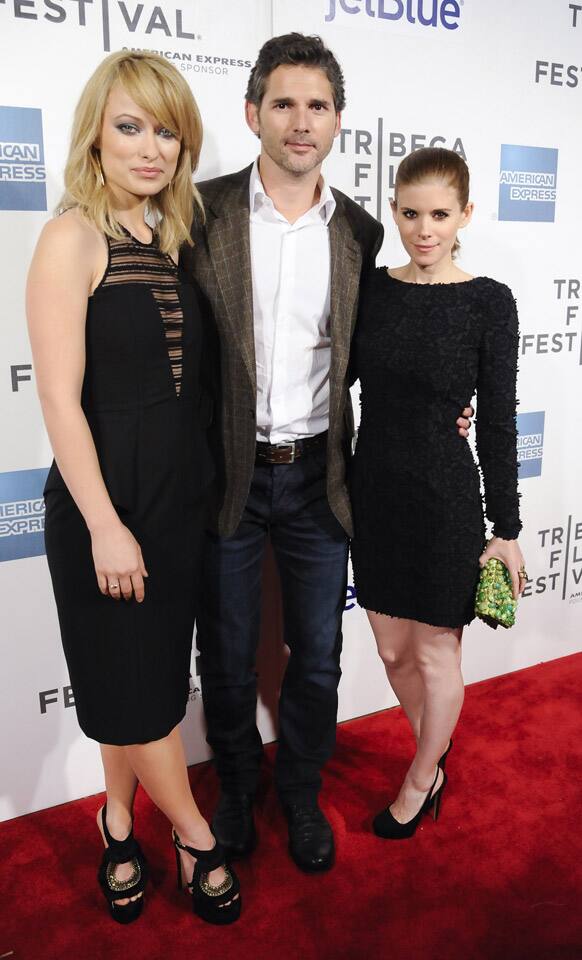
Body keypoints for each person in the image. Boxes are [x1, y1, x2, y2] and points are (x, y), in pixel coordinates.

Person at [185, 35, 474, 872]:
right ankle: (240, 789)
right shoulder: (199, 216)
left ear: (339, 121)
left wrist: (443, 414)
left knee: (318, 655)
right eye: (283, 103)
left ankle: (302, 795)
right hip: (229, 477)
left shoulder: (361, 229)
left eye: (317, 106)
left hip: (321, 479)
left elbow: (393, 340)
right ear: (253, 114)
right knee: (230, 655)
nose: (300, 121)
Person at [26, 51, 240, 925]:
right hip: (101, 510)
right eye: (130, 125)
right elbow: (57, 399)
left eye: (166, 130)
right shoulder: (71, 236)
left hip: (177, 505)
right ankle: (193, 833)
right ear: (96, 134)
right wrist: (106, 526)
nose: (150, 147)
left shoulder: (172, 236)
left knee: (139, 683)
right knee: (140, 693)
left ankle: (118, 820)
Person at [349, 147, 527, 839]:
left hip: (445, 499)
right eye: (411, 213)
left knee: (435, 653)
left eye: (441, 215)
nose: (425, 229)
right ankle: (435, 749)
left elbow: (501, 420)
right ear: (394, 211)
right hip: (374, 492)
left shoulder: (489, 302)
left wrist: (504, 526)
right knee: (393, 651)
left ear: (466, 215)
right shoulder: (373, 291)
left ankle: (422, 777)